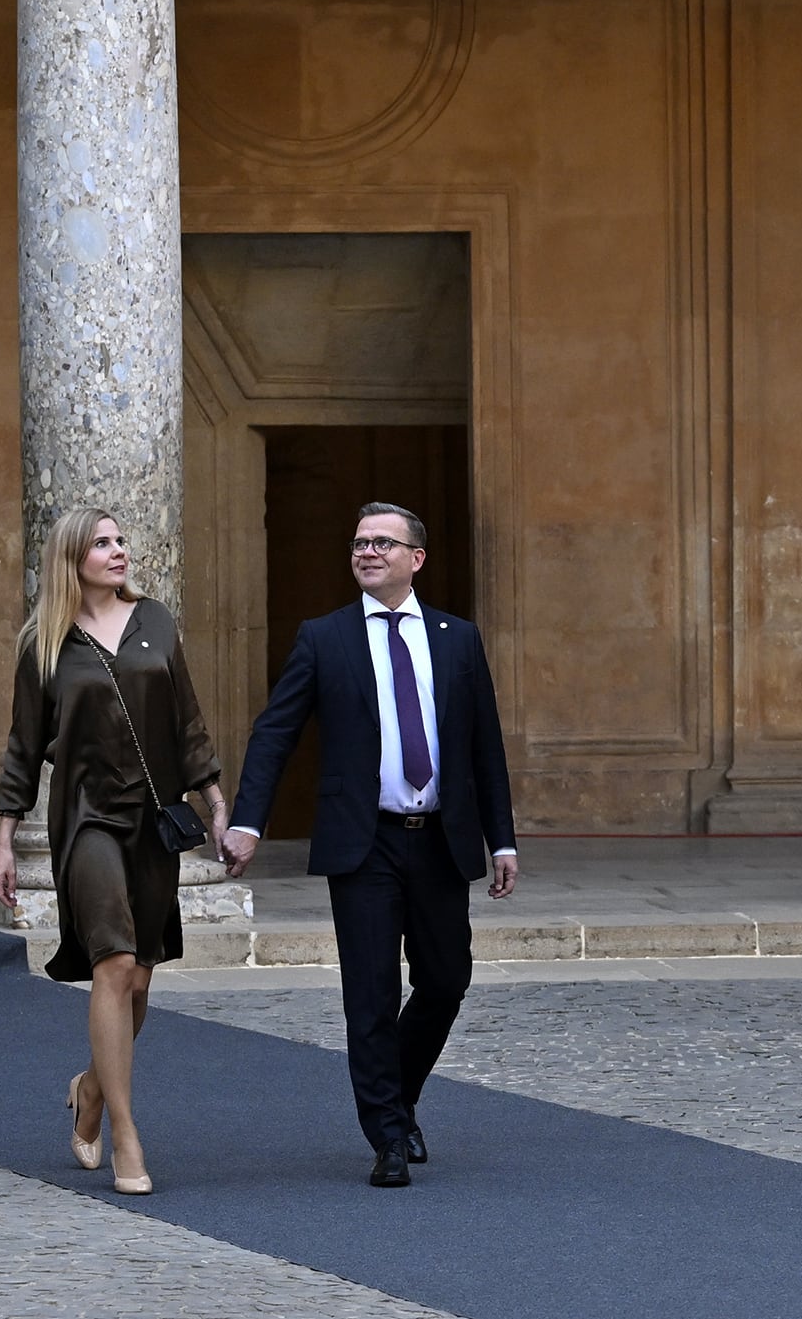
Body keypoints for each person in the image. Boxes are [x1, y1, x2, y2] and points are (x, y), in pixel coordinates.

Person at [220, 499, 517, 1188]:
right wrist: (248, 819)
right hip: (365, 841)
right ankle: (386, 1132)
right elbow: (275, 732)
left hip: (440, 837)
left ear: (416, 558)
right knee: (371, 992)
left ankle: (399, 1093)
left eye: (384, 542)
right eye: (359, 542)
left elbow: (484, 747)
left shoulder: (457, 638)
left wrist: (501, 839)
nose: (368, 551)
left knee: (446, 977)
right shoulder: (324, 638)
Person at [0, 505, 231, 1197]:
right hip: (87, 817)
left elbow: (187, 721)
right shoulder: (44, 641)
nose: (119, 550)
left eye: (122, 539)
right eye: (103, 542)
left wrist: (215, 803)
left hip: (153, 820)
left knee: (141, 980)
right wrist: (5, 839)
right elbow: (22, 745)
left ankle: (92, 1087)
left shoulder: (155, 620)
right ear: (73, 557)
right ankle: (125, 1132)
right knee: (115, 960)